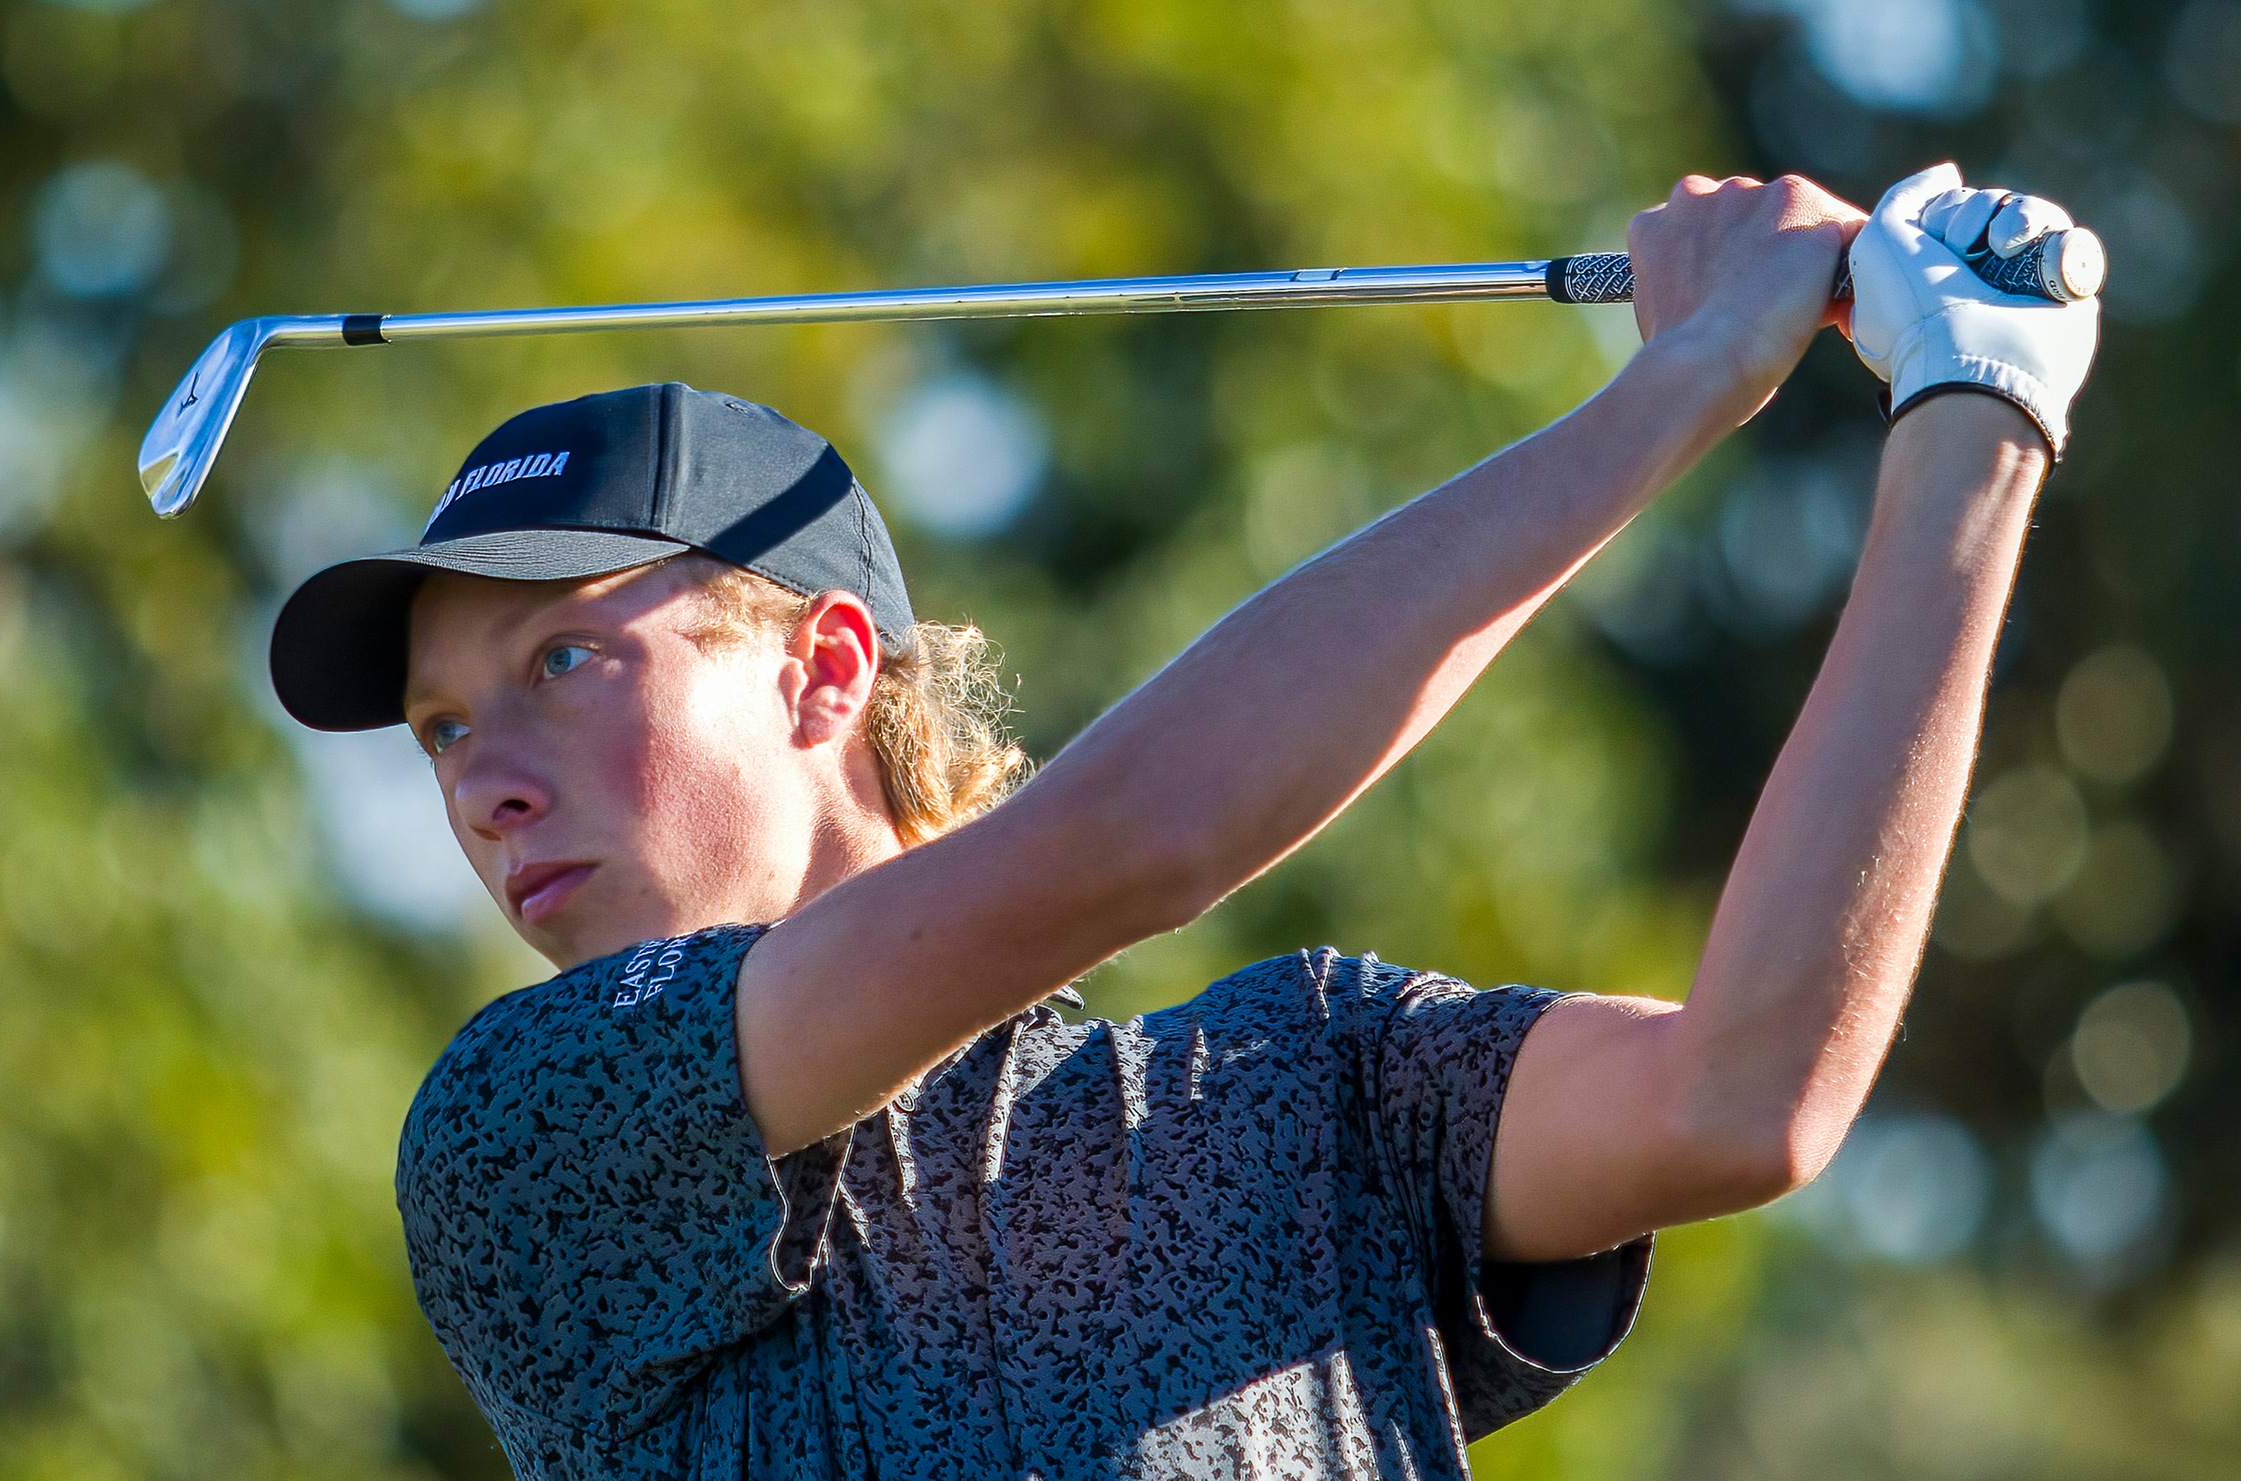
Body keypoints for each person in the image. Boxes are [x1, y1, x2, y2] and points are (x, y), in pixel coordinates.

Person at [266, 163, 2097, 1478]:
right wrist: (1690, 380)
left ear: (826, 675)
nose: (480, 776)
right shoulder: (520, 1139)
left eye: (568, 664)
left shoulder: (1308, 1094)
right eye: (439, 728)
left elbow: (1746, 1094)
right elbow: (1144, 838)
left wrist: (1973, 417)